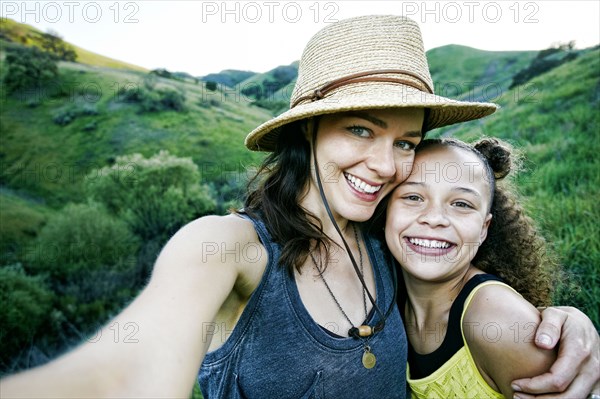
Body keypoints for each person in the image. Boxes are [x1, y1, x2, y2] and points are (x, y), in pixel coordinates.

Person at [2, 15, 598, 399]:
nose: (387, 165)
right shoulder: (229, 248)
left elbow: (468, 300)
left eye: (405, 142)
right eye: (361, 129)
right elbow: (120, 369)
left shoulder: (390, 241)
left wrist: (557, 324)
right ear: (307, 132)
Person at [385, 137, 562, 398]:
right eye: (413, 197)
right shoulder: (386, 292)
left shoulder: (499, 323)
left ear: (483, 229)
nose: (434, 219)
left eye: (461, 204)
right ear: (386, 209)